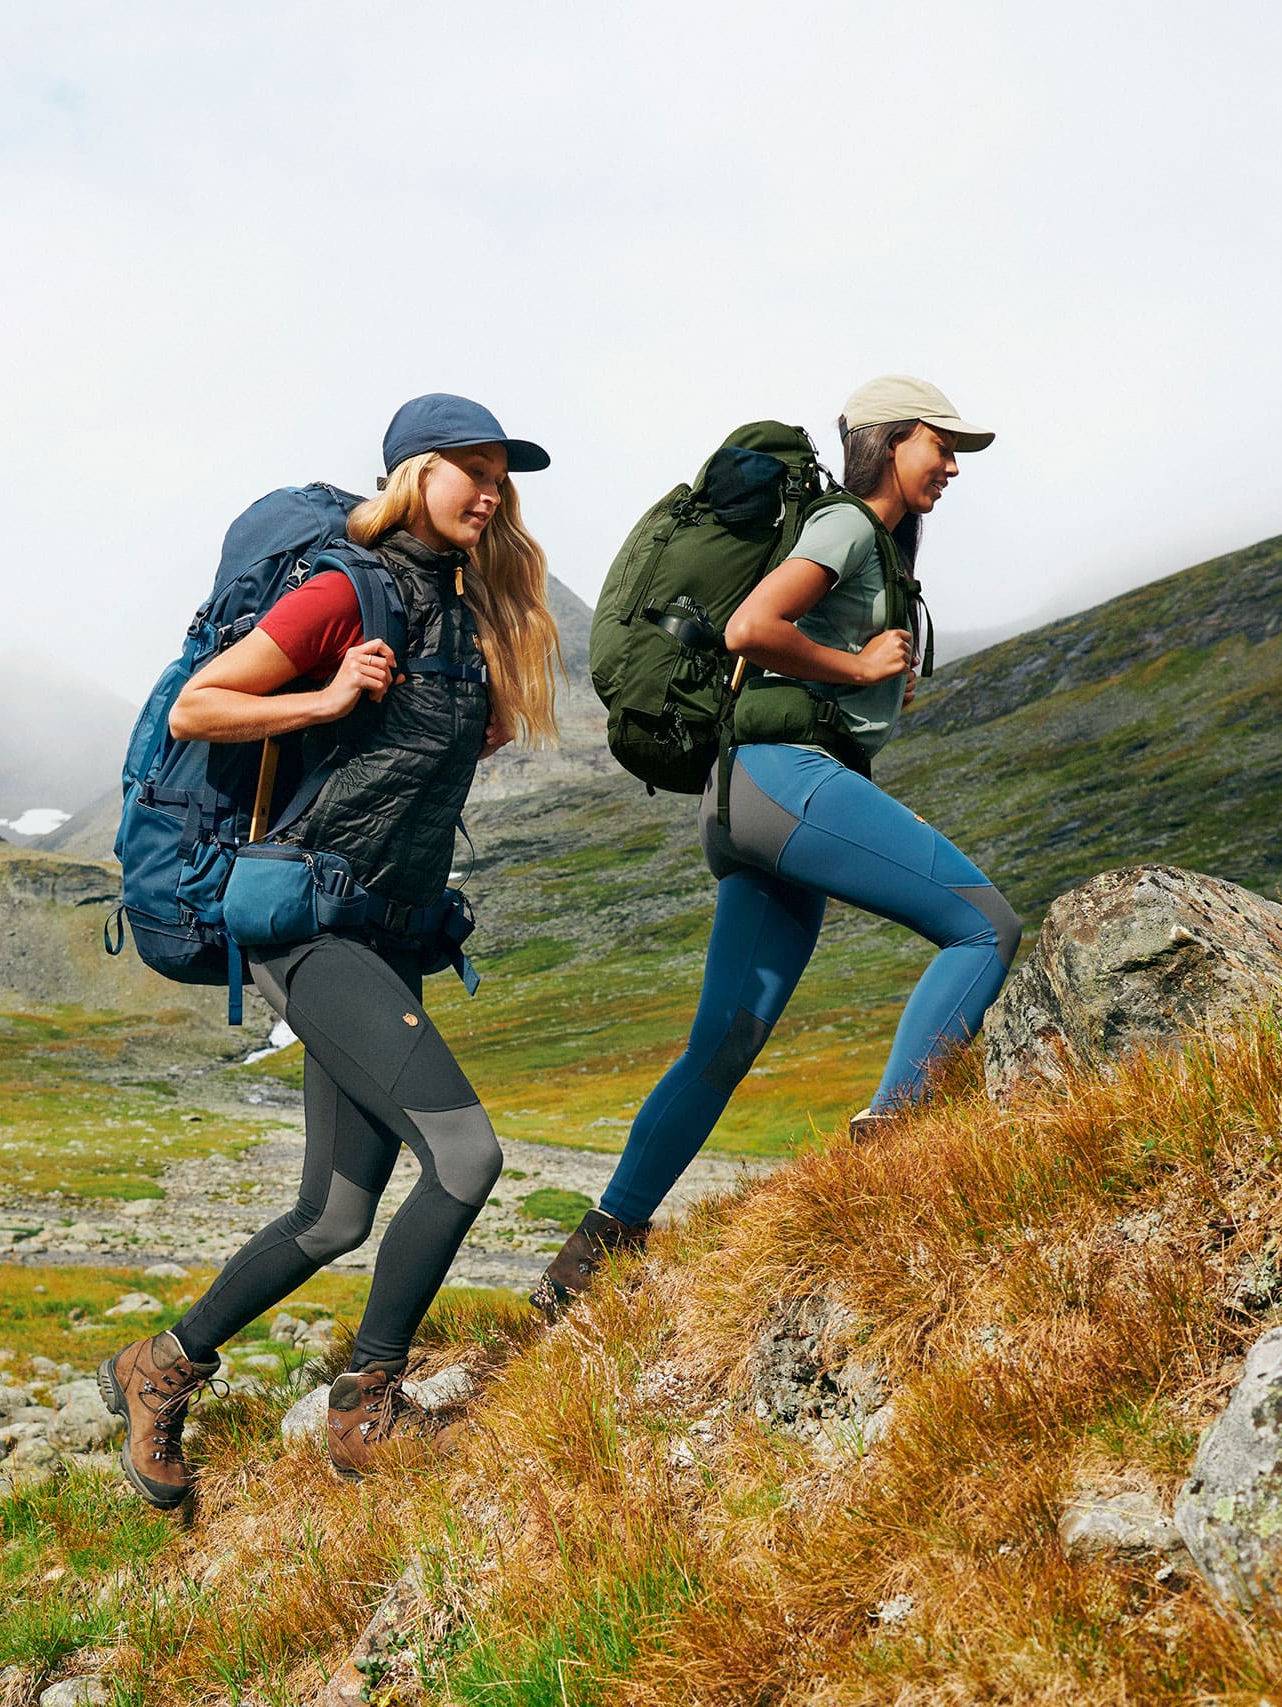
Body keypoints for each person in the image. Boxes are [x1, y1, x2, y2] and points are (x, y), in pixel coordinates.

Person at [99, 394, 561, 1503]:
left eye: (502, 472)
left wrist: (465, 727)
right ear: (411, 473)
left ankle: (158, 1368)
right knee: (465, 1158)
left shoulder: (458, 612)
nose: (489, 488)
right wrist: (323, 694)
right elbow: (199, 710)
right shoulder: (344, 589)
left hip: (384, 932)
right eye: (469, 466)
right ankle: (366, 1406)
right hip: (309, 924)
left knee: (336, 1214)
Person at [532, 376, 1021, 1318]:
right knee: (984, 928)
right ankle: (889, 1147)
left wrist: (863, 682)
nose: (952, 465)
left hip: (742, 799)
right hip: (782, 778)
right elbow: (752, 626)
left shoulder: (865, 542)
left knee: (725, 1041)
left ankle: (594, 1254)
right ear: (890, 441)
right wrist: (855, 666)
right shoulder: (843, 525)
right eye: (939, 444)